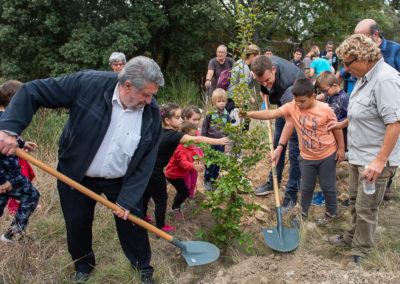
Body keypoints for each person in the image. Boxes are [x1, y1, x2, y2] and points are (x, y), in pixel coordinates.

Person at [0, 56, 164, 283]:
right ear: (128, 85)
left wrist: (128, 199)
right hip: (75, 174)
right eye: (146, 94)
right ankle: (83, 266)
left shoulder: (152, 112)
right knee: (76, 223)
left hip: (121, 179)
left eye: (152, 95)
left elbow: (147, 160)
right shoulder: (88, 84)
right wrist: (9, 129)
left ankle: (143, 269)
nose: (149, 100)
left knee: (133, 223)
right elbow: (32, 91)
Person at [327, 34, 400, 263]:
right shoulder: (364, 77)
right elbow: (364, 111)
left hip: (374, 159)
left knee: (367, 207)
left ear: (365, 58)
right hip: (359, 155)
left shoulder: (385, 80)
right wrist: (342, 124)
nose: (345, 69)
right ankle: (352, 236)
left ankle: (361, 250)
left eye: (349, 63)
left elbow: (394, 123)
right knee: (356, 202)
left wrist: (380, 161)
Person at [246, 78, 345, 226]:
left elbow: (337, 128)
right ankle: (303, 213)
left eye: (302, 101)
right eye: (296, 100)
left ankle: (331, 212)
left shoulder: (325, 110)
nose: (298, 104)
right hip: (306, 156)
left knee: (327, 186)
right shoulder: (293, 107)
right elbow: (272, 114)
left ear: (313, 96)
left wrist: (341, 149)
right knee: (306, 186)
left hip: (326, 155)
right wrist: (248, 114)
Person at [142, 103, 228, 228]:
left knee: (147, 193)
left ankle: (142, 215)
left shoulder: (162, 130)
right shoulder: (173, 135)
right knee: (161, 200)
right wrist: (219, 141)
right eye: (177, 118)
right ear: (167, 120)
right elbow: (197, 140)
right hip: (155, 170)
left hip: (147, 167)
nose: (181, 120)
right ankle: (161, 227)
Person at [251, 55, 304, 214]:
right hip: (282, 104)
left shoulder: (289, 86)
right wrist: (263, 88)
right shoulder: (263, 65)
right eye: (261, 82)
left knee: (294, 151)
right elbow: (264, 83)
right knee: (275, 144)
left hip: (298, 110)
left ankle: (291, 195)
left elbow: (291, 121)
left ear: (273, 70)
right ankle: (273, 180)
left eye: (267, 80)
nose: (265, 84)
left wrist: (281, 147)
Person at [0, 81, 39, 243]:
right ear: (14, 100)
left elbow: (9, 137)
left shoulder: (5, 118)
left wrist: (22, 143)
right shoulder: (3, 119)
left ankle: (14, 233)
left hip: (9, 172)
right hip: (7, 174)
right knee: (31, 196)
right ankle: (14, 234)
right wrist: (2, 180)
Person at [165, 121, 205, 215]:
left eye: (195, 135)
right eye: (191, 136)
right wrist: (194, 166)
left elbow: (193, 153)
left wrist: (201, 158)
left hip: (179, 174)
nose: (193, 138)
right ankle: (174, 209)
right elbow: (183, 163)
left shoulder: (189, 144)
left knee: (182, 192)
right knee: (184, 192)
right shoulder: (179, 148)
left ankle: (176, 206)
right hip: (173, 175)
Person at [201, 89, 231, 191]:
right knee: (210, 163)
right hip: (210, 142)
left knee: (218, 163)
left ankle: (214, 180)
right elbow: (204, 128)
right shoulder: (210, 113)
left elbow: (228, 130)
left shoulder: (227, 115)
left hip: (221, 142)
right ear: (214, 102)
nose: (222, 103)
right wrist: (203, 142)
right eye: (219, 101)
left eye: (223, 101)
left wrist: (226, 144)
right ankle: (207, 180)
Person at [226, 44, 260, 127]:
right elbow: (243, 86)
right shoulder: (245, 68)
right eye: (258, 57)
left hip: (230, 97)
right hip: (237, 100)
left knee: (232, 124)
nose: (258, 59)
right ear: (252, 56)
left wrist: (249, 75)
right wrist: (250, 97)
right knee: (242, 126)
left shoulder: (238, 63)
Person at [182, 105, 203, 200]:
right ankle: (184, 198)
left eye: (198, 119)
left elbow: (200, 147)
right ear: (186, 119)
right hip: (186, 164)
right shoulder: (182, 134)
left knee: (193, 182)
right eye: (194, 120)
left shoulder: (198, 133)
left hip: (196, 164)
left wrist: (201, 158)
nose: (197, 122)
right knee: (187, 182)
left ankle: (190, 197)